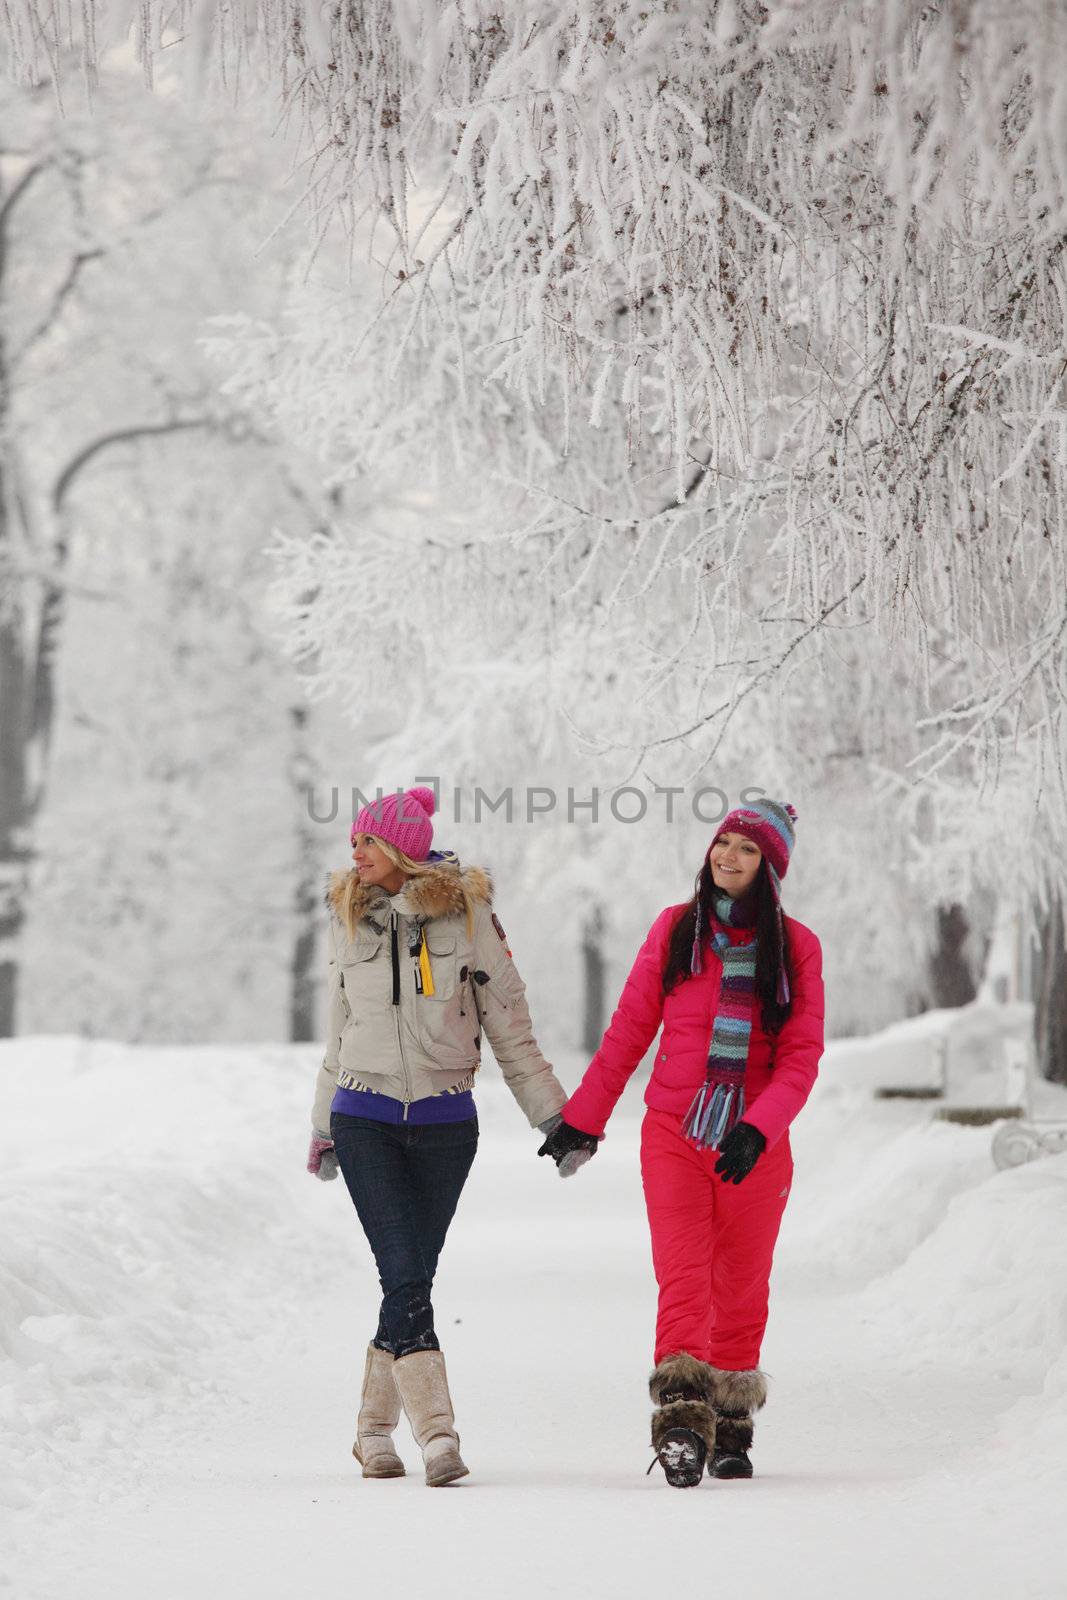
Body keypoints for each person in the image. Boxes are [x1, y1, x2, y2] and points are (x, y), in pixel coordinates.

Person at [540, 798, 824, 1488]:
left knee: (741, 1284)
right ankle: (679, 1427)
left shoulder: (795, 947)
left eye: (746, 849)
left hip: (752, 1143)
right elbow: (630, 1029)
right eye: (722, 842)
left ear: (769, 867)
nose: (727, 856)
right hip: (672, 1132)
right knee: (683, 1277)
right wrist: (583, 1118)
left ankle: (732, 1426)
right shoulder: (675, 932)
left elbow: (800, 1055)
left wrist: (758, 1128)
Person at [306, 785, 574, 1487]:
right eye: (354, 840)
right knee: (402, 1273)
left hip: (446, 1126)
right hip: (362, 1118)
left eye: (365, 840)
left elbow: (507, 1020)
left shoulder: (467, 914)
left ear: (399, 849)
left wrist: (553, 1116)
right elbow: (339, 1029)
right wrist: (320, 1123)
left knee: (410, 1279)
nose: (353, 852)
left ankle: (370, 1435)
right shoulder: (348, 917)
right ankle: (438, 1437)